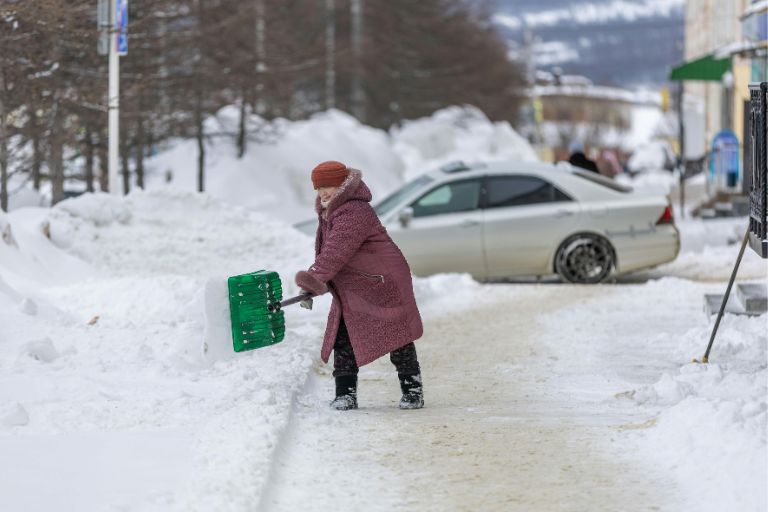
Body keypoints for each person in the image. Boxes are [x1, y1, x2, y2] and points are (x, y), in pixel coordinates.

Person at [295, 161, 424, 411]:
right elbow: (331, 253)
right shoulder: (331, 210)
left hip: (383, 280)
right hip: (357, 283)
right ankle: (346, 394)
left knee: (398, 335)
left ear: (343, 184)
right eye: (319, 188)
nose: (323, 193)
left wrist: (313, 280)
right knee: (343, 336)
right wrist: (316, 280)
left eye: (329, 186)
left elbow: (335, 252)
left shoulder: (354, 211)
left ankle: (413, 390)